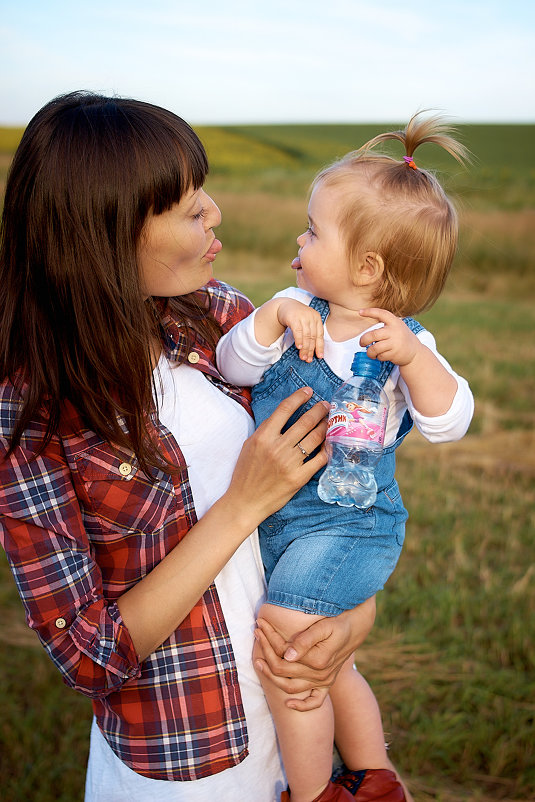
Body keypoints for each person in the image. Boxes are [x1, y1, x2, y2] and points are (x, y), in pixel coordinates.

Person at [0, 91, 382, 802]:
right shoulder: (31, 413)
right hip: (192, 764)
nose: (215, 216)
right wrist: (241, 506)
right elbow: (90, 654)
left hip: (304, 717)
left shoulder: (223, 318)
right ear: (103, 232)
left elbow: (353, 487)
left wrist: (353, 614)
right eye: (187, 207)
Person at [217, 114, 475, 802]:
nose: (297, 242)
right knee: (335, 667)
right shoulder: (292, 312)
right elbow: (233, 367)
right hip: (279, 520)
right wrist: (268, 318)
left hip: (350, 525)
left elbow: (450, 421)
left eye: (311, 230)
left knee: (291, 653)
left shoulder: (403, 344)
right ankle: (376, 778)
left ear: (365, 267)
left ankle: (312, 793)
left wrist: (416, 361)